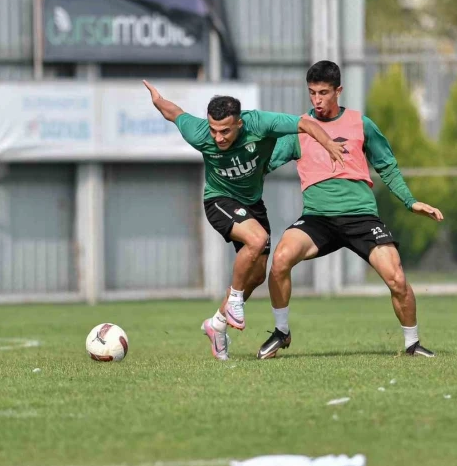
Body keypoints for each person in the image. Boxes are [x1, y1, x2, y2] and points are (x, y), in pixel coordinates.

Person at [143, 80, 346, 361]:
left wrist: (329, 145)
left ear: (239, 123)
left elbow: (305, 124)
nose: (218, 137)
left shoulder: (260, 123)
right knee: (258, 239)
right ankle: (235, 300)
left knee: (258, 274)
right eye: (214, 130)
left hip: (252, 205)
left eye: (225, 130)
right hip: (219, 200)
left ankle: (216, 325)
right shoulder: (199, 133)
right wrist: (157, 99)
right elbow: (174, 113)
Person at [256, 61, 443, 360]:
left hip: (361, 218)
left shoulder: (361, 124)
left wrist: (411, 202)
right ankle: (281, 332)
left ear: (338, 91)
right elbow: (263, 166)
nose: (317, 100)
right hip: (318, 219)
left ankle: (412, 343)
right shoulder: (300, 129)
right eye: (312, 93)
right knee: (280, 261)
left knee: (396, 278)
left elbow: (388, 167)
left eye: (324, 93)